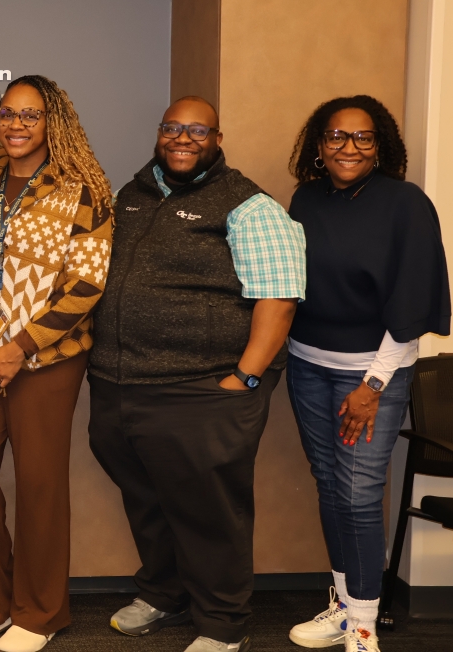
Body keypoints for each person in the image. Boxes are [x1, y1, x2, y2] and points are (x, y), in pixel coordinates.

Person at [88, 96, 307, 652]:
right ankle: (165, 594)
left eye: (197, 130)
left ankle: (223, 625)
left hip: (202, 389)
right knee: (148, 500)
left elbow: (278, 302)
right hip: (119, 385)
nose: (182, 139)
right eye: (172, 128)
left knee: (210, 512)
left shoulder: (249, 206)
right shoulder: (132, 196)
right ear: (159, 133)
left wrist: (245, 380)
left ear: (217, 138)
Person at [0, 75, 114, 652]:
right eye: (7, 113)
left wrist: (20, 348)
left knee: (40, 481)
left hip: (47, 359)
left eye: (30, 115)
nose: (15, 125)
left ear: (53, 122)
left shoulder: (81, 188)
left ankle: (40, 612)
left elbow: (88, 283)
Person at [283, 96, 450, 652]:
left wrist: (372, 386)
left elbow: (412, 305)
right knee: (330, 486)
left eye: (363, 138)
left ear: (381, 146)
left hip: (372, 376)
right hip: (307, 367)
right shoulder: (306, 199)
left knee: (357, 495)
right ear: (318, 145)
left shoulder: (405, 204)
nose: (348, 148)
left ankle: (363, 624)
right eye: (336, 137)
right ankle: (342, 604)